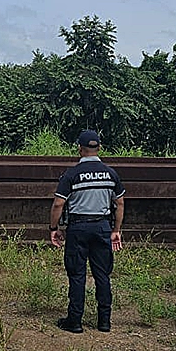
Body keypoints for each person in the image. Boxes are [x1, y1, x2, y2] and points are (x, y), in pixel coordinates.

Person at [49, 129, 125, 334]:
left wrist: (54, 228)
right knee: (102, 274)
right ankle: (104, 322)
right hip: (102, 227)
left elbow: (58, 204)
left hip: (78, 228)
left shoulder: (72, 174)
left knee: (77, 274)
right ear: (99, 148)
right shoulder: (111, 174)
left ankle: (74, 321)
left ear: (79, 149)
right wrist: (115, 230)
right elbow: (119, 203)